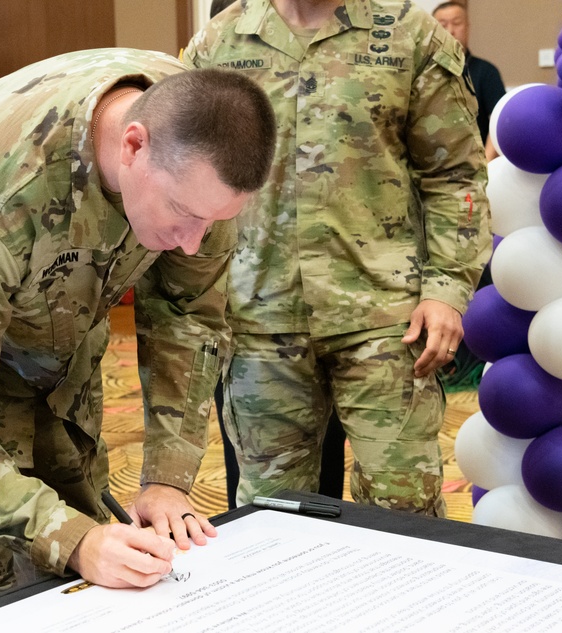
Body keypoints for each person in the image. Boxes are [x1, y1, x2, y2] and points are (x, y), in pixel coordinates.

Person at [0, 48, 275, 617]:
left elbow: (188, 316)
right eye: (183, 214)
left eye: (214, 222)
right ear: (133, 145)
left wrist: (167, 479)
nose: (193, 243)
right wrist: (72, 540)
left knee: (79, 495)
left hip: (61, 320)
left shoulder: (202, 152)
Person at [186, 0, 491, 515]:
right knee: (273, 517)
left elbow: (456, 174)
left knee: (404, 512)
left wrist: (446, 290)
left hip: (388, 324)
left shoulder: (410, 35)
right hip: (261, 321)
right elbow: (187, 178)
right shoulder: (221, 43)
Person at [205, 0, 346, 510]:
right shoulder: (223, 33)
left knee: (338, 480)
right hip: (254, 297)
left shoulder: (390, 32)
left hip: (356, 297)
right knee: (267, 488)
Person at [433, 1, 506, 161]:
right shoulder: (422, 72)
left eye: (457, 23)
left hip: (475, 164)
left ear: (467, 27)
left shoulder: (486, 71)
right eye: (442, 25)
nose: (450, 31)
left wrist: (486, 167)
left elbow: (499, 120)